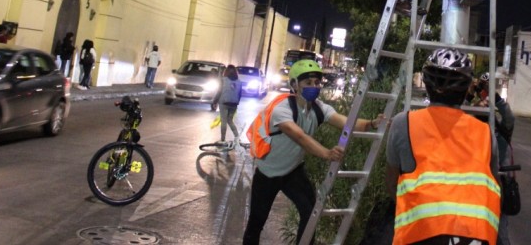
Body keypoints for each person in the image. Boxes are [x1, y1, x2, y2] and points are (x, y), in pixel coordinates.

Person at [243, 59, 383, 245]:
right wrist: (326, 153)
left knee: (310, 213)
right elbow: (299, 136)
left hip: (293, 171)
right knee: (256, 222)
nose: (314, 87)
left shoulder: (319, 108)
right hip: (268, 173)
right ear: (294, 84)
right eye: (308, 83)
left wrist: (372, 123)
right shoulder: (282, 108)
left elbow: (347, 123)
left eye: (317, 83)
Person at [385, 48, 501, 245]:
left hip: (420, 234)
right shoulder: (485, 133)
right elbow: (496, 184)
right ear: (466, 90)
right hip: (476, 235)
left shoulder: (402, 123)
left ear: (428, 85)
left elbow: (391, 183)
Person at [468, 73, 516, 245]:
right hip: (477, 186)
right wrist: (469, 94)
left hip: (498, 185)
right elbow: (458, 114)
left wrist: (493, 95)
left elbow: (509, 117)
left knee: (501, 234)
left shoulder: (501, 132)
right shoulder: (469, 133)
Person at [215, 64, 242, 146]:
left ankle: (223, 139)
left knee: (223, 120)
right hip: (234, 103)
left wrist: (214, 101)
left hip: (224, 102)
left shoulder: (223, 80)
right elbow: (240, 94)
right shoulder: (239, 82)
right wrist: (237, 102)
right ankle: (237, 137)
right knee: (230, 120)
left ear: (226, 72)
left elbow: (219, 91)